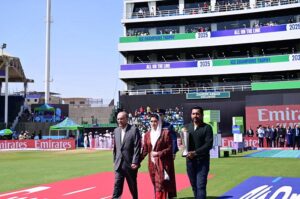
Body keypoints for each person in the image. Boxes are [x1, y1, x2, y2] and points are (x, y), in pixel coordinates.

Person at [140, 114, 177, 199]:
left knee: (161, 186)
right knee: (156, 185)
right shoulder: (147, 135)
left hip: (163, 163)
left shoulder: (165, 133)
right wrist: (136, 161)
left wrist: (159, 153)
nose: (153, 123)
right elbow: (145, 150)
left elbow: (170, 148)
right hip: (152, 164)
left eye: (155, 121)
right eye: (151, 121)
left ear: (159, 122)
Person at [184, 106, 213, 199]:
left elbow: (208, 145)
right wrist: (183, 146)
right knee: (194, 186)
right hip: (190, 162)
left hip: (202, 162)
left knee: (201, 185)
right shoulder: (186, 128)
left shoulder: (207, 128)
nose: (195, 115)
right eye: (193, 114)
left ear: (202, 115)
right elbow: (185, 144)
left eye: (197, 113)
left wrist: (195, 152)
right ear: (191, 115)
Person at [112, 111, 141, 199]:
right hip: (118, 164)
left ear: (127, 119)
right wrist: (114, 160)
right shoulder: (116, 130)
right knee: (117, 185)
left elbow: (137, 146)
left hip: (130, 164)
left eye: (121, 119)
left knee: (132, 186)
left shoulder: (133, 129)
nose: (119, 121)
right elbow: (115, 148)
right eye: (118, 119)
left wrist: (135, 162)